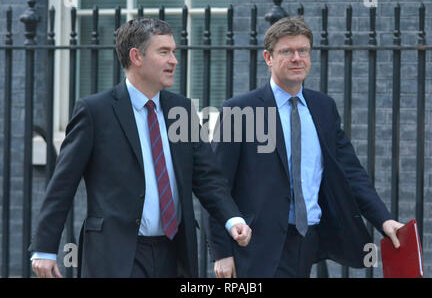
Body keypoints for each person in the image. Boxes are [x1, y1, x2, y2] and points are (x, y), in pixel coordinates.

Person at [29, 17, 251, 278]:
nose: (174, 61)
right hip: (117, 255)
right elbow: (62, 184)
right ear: (136, 56)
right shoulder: (95, 112)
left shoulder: (182, 110)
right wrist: (44, 248)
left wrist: (232, 218)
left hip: (174, 251)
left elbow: (208, 178)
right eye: (164, 52)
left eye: (173, 52)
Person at [205, 16, 403, 278]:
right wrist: (222, 253)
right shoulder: (240, 110)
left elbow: (351, 172)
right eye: (287, 51)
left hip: (309, 241)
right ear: (268, 57)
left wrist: (384, 219)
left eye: (303, 51)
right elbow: (216, 186)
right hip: (254, 247)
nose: (297, 58)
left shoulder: (323, 107)